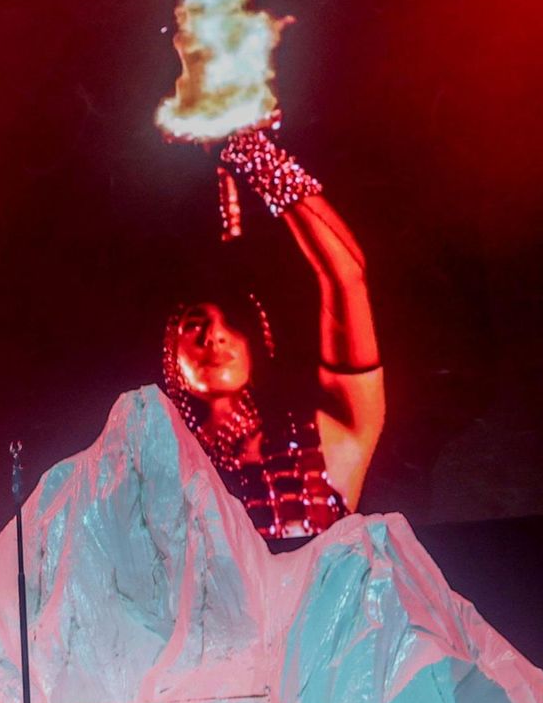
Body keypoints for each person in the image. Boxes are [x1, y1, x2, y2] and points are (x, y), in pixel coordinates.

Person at [160, 117, 384, 544]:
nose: (215, 335)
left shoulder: (329, 435)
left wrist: (253, 153)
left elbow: (345, 278)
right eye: (194, 325)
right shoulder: (159, 467)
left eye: (232, 324)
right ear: (171, 358)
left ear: (257, 345)